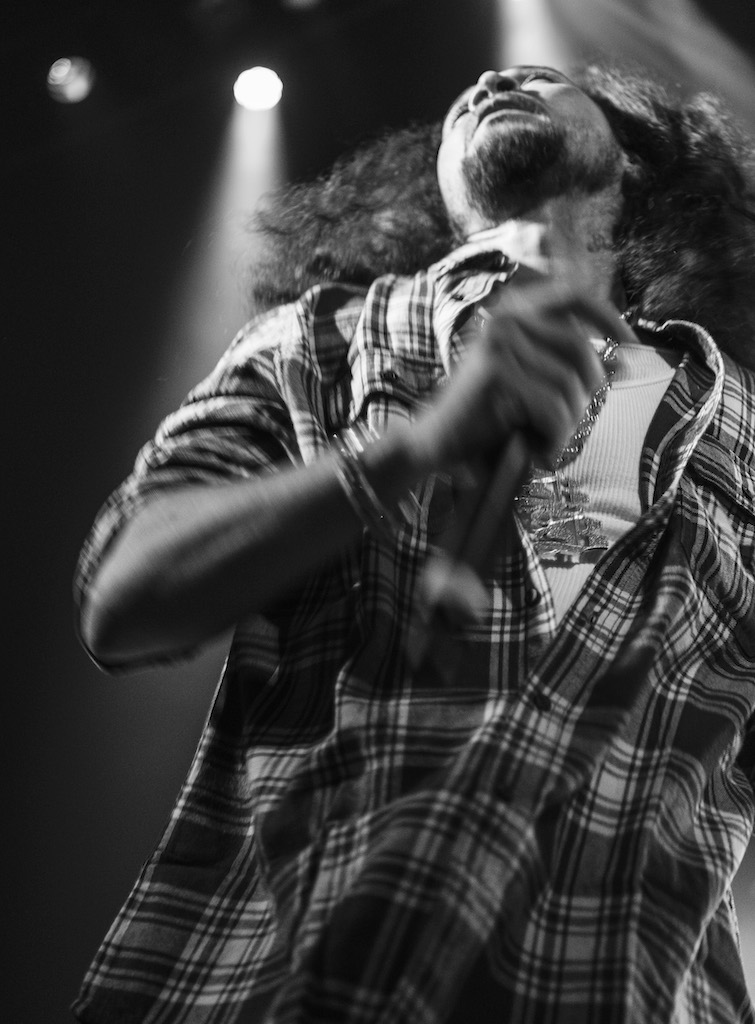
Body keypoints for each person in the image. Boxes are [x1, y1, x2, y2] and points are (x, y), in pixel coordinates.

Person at [72, 64, 755, 1024]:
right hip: (286, 968)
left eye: (543, 78)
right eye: (469, 95)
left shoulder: (737, 417)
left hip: (626, 979)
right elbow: (124, 598)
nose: (495, 76)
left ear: (634, 162)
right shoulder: (318, 339)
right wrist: (410, 449)